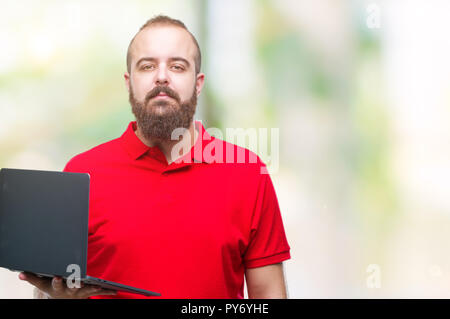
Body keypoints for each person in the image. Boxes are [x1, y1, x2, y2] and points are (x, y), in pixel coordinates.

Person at [19, 15, 291, 299]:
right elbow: (51, 289)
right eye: (147, 66)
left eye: (177, 66)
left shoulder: (247, 173)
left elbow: (269, 296)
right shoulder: (81, 172)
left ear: (198, 84)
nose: (162, 76)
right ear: (129, 82)